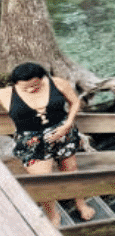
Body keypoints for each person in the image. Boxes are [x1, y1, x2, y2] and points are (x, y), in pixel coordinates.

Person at [0, 62, 95, 226]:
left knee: (71, 171)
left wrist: (67, 124)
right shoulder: (4, 94)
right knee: (42, 180)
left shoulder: (58, 83)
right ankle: (52, 214)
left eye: (35, 85)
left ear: (43, 78)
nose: (31, 89)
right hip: (31, 140)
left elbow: (75, 102)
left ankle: (80, 204)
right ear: (15, 84)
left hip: (63, 133)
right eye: (25, 87)